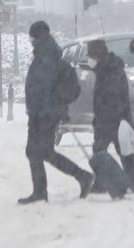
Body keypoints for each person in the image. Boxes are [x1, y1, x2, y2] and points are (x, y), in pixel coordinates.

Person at [18, 20, 91, 204]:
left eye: (32, 37)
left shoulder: (46, 57)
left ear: (39, 37)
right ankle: (80, 177)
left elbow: (43, 88)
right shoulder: (47, 54)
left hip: (44, 114)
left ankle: (45, 190)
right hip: (42, 113)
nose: (31, 41)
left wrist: (44, 110)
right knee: (42, 152)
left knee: (37, 152)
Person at [87, 38, 134, 192]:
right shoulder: (104, 68)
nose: (88, 60)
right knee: (106, 151)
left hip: (115, 120)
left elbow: (115, 96)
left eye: (90, 56)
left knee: (120, 152)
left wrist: (110, 118)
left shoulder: (111, 70)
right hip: (108, 119)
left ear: (97, 55)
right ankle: (106, 183)